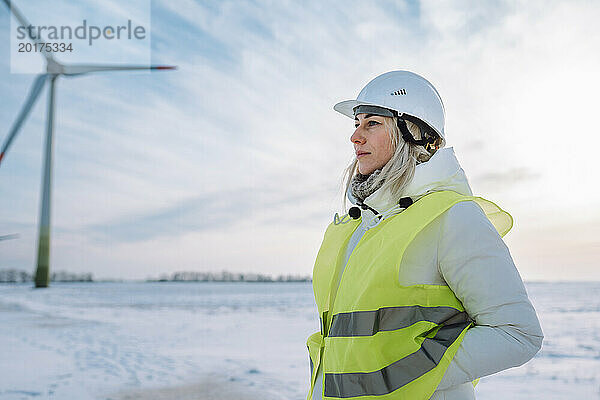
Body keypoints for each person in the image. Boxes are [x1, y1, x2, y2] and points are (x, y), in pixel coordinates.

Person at [306, 70, 543, 400]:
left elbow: (518, 334)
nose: (355, 137)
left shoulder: (451, 217)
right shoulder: (357, 228)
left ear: (413, 133)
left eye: (372, 123)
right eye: (356, 123)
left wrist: (397, 377)